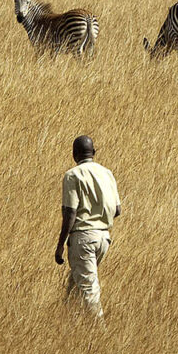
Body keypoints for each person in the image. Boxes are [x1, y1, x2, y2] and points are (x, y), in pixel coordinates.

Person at [55, 135, 121, 319]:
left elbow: (70, 213)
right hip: (103, 238)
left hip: (82, 239)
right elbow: (117, 210)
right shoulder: (107, 173)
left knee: (89, 291)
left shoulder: (72, 175)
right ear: (94, 152)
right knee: (75, 288)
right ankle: (67, 324)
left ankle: (100, 330)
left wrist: (60, 245)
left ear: (74, 154)